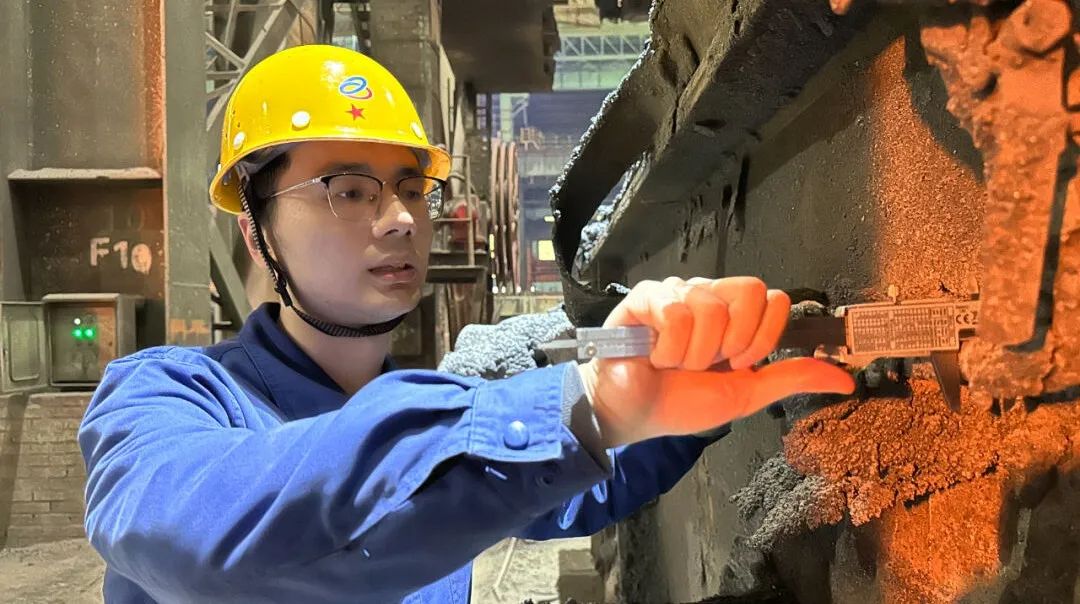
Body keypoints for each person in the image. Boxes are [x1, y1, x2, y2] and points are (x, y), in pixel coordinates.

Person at [78, 45, 854, 603]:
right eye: (349, 190)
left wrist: (681, 404)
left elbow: (557, 493)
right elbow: (206, 540)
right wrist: (578, 405)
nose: (399, 219)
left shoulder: (432, 415)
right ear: (256, 232)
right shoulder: (160, 399)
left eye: (411, 188)